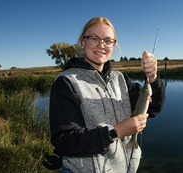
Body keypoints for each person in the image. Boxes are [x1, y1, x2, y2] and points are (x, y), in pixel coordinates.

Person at [49, 17, 165, 173]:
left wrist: (153, 77)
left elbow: (154, 108)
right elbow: (64, 141)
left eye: (108, 40)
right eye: (94, 38)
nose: (101, 45)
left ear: (114, 45)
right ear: (83, 42)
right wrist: (115, 131)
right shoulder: (66, 82)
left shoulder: (121, 79)